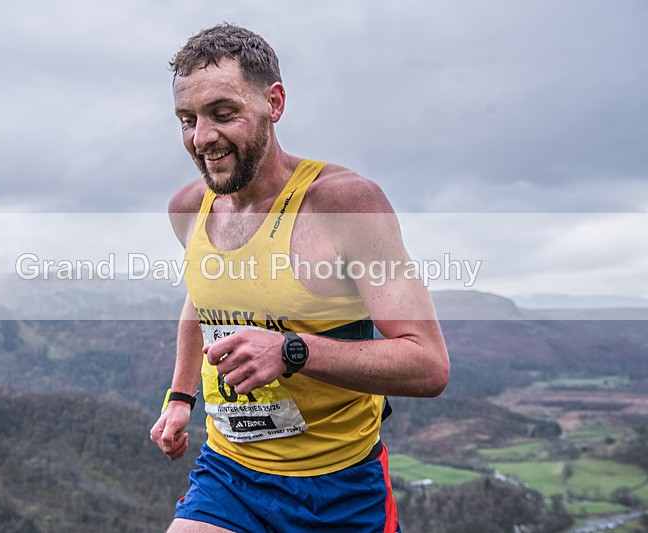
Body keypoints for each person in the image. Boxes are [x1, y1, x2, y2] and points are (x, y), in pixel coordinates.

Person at [149, 23, 450, 533]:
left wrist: (291, 351)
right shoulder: (187, 209)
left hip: (339, 487)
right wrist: (180, 400)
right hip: (230, 477)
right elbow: (202, 303)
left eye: (223, 114)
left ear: (275, 102)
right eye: (188, 120)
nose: (202, 139)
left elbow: (428, 364)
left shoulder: (345, 204)